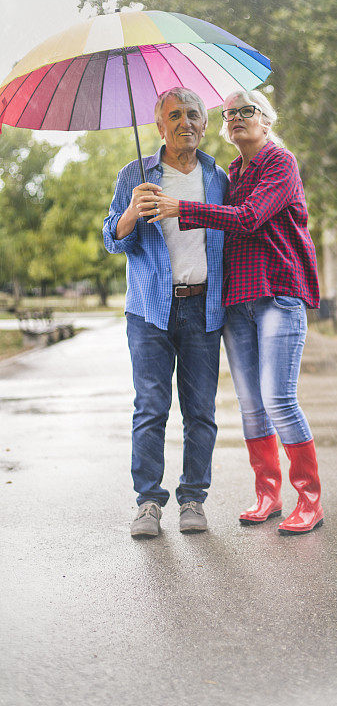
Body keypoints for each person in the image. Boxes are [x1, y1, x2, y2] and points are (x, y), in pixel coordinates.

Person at [143, 89, 324, 535]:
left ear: (266, 120)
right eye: (232, 113)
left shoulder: (281, 162)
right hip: (237, 301)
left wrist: (181, 207)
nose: (240, 117)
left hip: (279, 292)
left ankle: (310, 499)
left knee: (279, 399)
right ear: (224, 125)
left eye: (250, 111)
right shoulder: (231, 171)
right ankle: (268, 493)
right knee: (250, 405)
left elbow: (247, 218)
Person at [103, 87, 227, 537]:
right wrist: (132, 213)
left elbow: (234, 229)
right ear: (160, 127)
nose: (185, 123)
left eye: (193, 114)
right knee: (151, 409)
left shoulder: (218, 178)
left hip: (202, 307)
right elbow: (113, 239)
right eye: (174, 116)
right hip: (150, 311)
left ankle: (193, 498)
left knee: (200, 411)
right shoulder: (135, 174)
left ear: (204, 124)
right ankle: (148, 503)